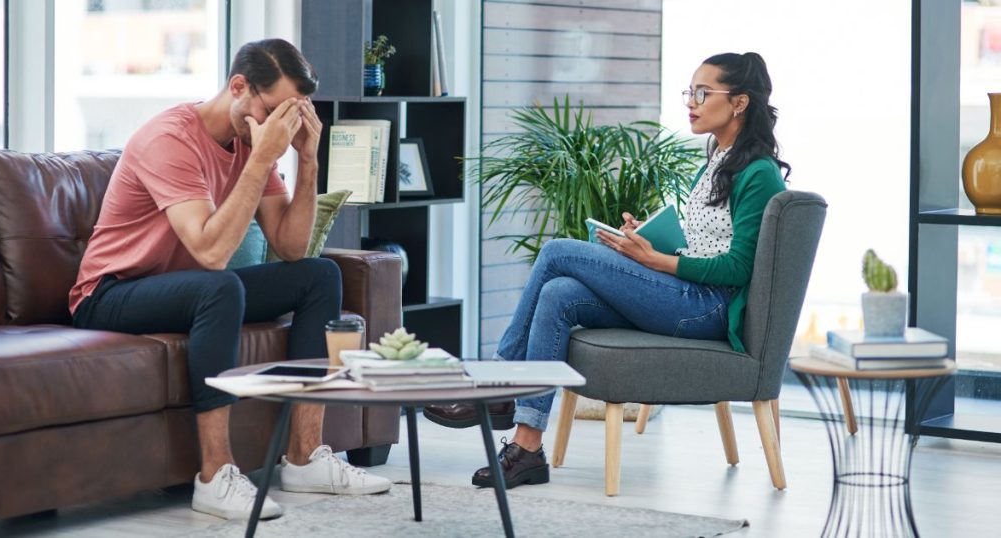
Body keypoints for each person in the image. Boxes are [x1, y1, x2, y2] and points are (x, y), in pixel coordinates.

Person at [424, 52, 790, 489]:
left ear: (739, 103)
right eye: (690, 92)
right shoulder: (718, 160)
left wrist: (652, 260)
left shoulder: (759, 172)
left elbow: (738, 267)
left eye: (702, 92)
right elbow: (704, 245)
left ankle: (501, 384)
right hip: (683, 292)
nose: (690, 102)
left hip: (708, 308)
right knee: (559, 293)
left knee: (558, 251)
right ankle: (526, 447)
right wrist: (650, 241)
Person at [69, 39, 391, 520]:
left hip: (187, 289)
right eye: (273, 110)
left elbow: (292, 247)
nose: (280, 126)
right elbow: (211, 251)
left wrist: (308, 159)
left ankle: (305, 457)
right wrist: (262, 160)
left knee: (319, 275)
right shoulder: (171, 139)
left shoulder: (253, 140)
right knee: (221, 286)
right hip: (110, 293)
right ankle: (215, 476)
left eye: (292, 115)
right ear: (238, 86)